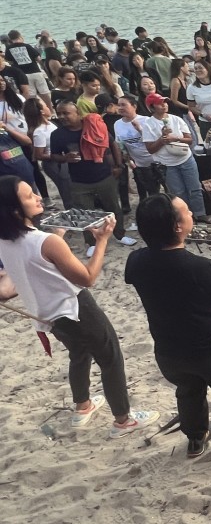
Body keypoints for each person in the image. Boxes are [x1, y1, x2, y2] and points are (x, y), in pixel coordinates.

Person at [0, 176, 159, 438]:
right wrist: (103, 239)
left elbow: (31, 269)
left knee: (79, 353)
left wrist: (57, 237)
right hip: (74, 307)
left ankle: (83, 405)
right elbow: (88, 278)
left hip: (47, 315)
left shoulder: (7, 240)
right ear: (16, 210)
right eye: (30, 196)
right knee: (110, 356)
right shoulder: (45, 242)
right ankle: (123, 419)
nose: (39, 197)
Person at [126, 194, 211, 461]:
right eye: (187, 211)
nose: (191, 214)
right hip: (210, 349)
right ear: (177, 226)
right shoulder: (197, 267)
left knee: (188, 390)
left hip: (168, 350)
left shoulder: (136, 261)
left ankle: (196, 437)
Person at [48, 101, 137, 255]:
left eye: (66, 113)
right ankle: (91, 242)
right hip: (78, 180)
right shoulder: (57, 135)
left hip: (104, 175)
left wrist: (118, 165)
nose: (62, 117)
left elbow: (112, 144)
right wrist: (65, 158)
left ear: (77, 113)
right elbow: (54, 155)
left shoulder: (94, 125)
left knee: (113, 208)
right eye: (59, 113)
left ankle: (120, 234)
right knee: (84, 213)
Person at [141, 94, 211, 224]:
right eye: (160, 103)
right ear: (152, 107)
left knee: (195, 188)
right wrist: (162, 140)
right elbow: (150, 149)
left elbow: (190, 140)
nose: (164, 105)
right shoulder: (148, 124)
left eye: (165, 102)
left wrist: (175, 138)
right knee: (178, 193)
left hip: (185, 158)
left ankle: (200, 213)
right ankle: (187, 217)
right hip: (167, 164)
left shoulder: (176, 119)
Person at [114, 94, 163, 202]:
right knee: (143, 193)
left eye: (124, 105)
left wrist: (140, 129)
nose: (120, 108)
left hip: (155, 161)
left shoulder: (146, 120)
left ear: (134, 106)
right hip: (138, 164)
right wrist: (128, 160)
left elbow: (158, 140)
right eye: (119, 105)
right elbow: (120, 144)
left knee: (155, 192)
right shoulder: (117, 124)